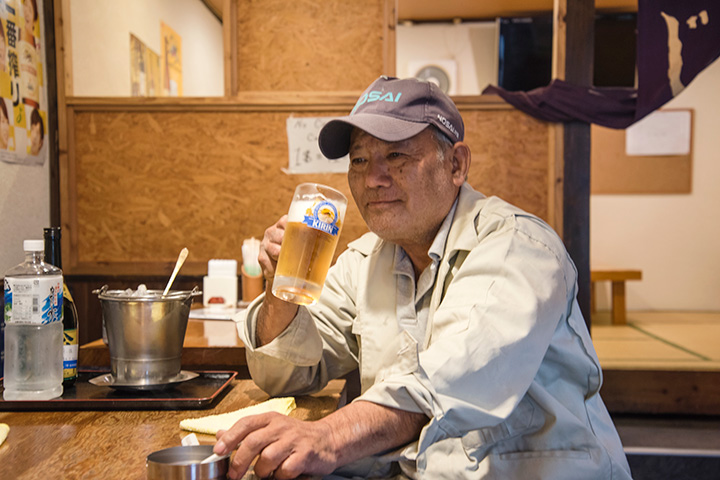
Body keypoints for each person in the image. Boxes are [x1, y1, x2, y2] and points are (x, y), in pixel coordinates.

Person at [217, 76, 632, 480]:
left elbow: (448, 380)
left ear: (456, 164)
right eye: (359, 160)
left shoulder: (518, 247)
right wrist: (281, 291)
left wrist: (326, 435)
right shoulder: (365, 259)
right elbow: (285, 375)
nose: (373, 178)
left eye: (396, 156)